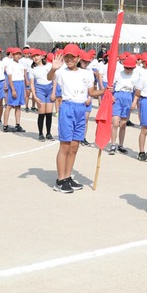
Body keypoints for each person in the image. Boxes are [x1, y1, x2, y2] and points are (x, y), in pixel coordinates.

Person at [47, 45, 104, 193]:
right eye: (67, 56)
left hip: (81, 109)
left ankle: (67, 177)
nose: (69, 59)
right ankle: (60, 180)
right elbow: (49, 77)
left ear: (78, 58)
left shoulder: (87, 73)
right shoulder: (61, 72)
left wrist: (106, 90)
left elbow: (92, 92)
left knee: (74, 146)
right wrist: (53, 68)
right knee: (65, 146)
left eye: (72, 56)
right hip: (67, 108)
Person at [107, 54, 138, 155]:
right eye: (126, 68)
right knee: (115, 123)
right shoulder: (118, 73)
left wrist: (134, 102)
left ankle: (121, 145)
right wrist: (111, 95)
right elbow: (110, 85)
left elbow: (137, 91)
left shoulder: (135, 76)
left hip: (128, 97)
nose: (128, 70)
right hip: (118, 96)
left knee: (123, 124)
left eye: (130, 68)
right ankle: (113, 144)